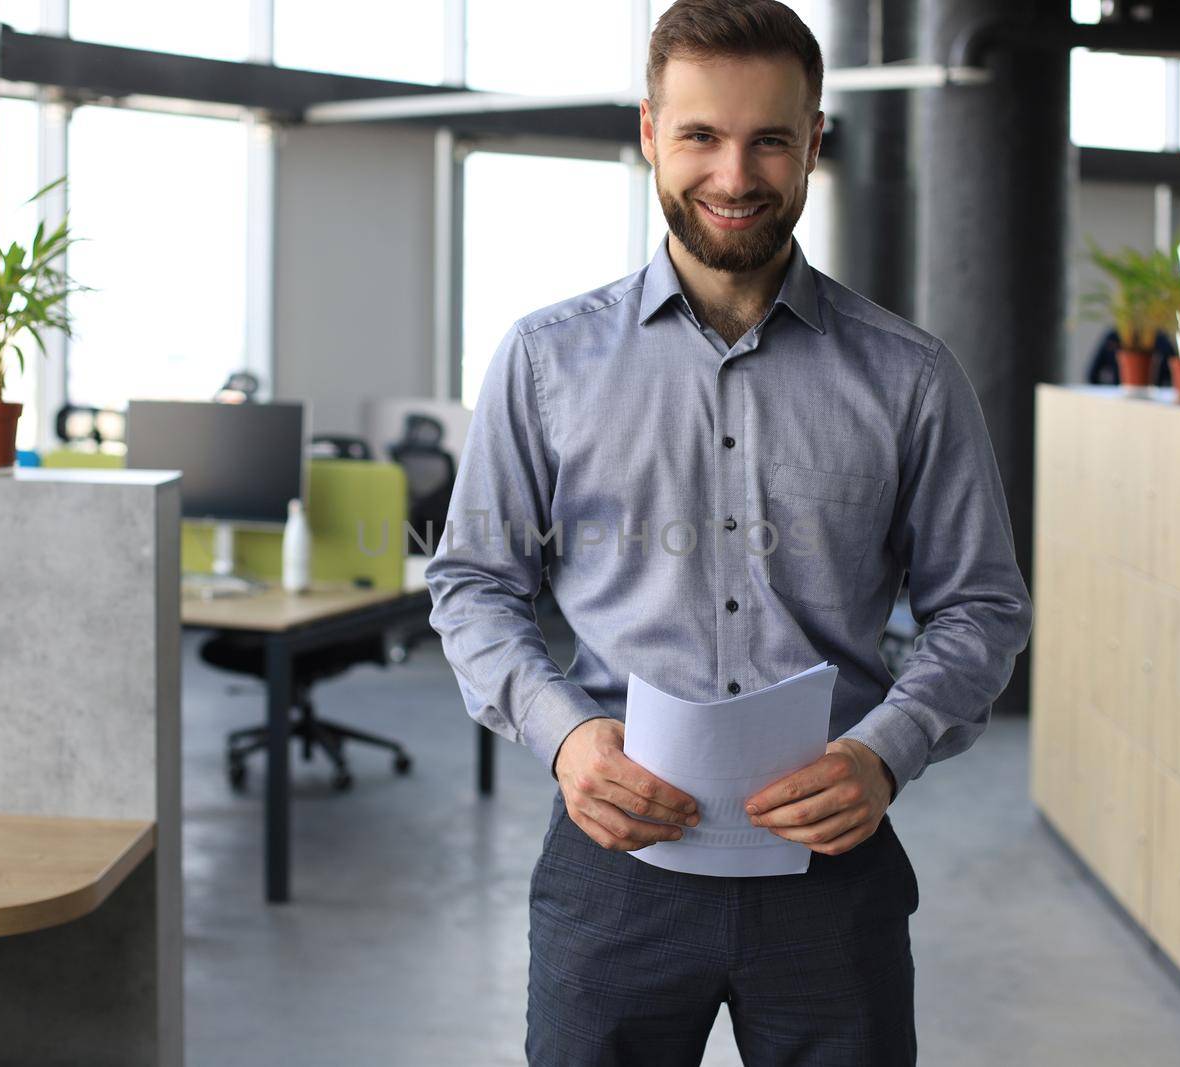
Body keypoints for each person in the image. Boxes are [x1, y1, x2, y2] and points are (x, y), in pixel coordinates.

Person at [424, 1, 1033, 1062]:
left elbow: (979, 606)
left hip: (831, 875)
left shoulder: (910, 377)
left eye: (769, 138)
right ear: (651, 132)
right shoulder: (543, 361)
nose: (734, 173)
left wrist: (886, 753)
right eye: (702, 134)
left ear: (813, 144)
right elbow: (473, 581)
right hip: (612, 862)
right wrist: (566, 737)